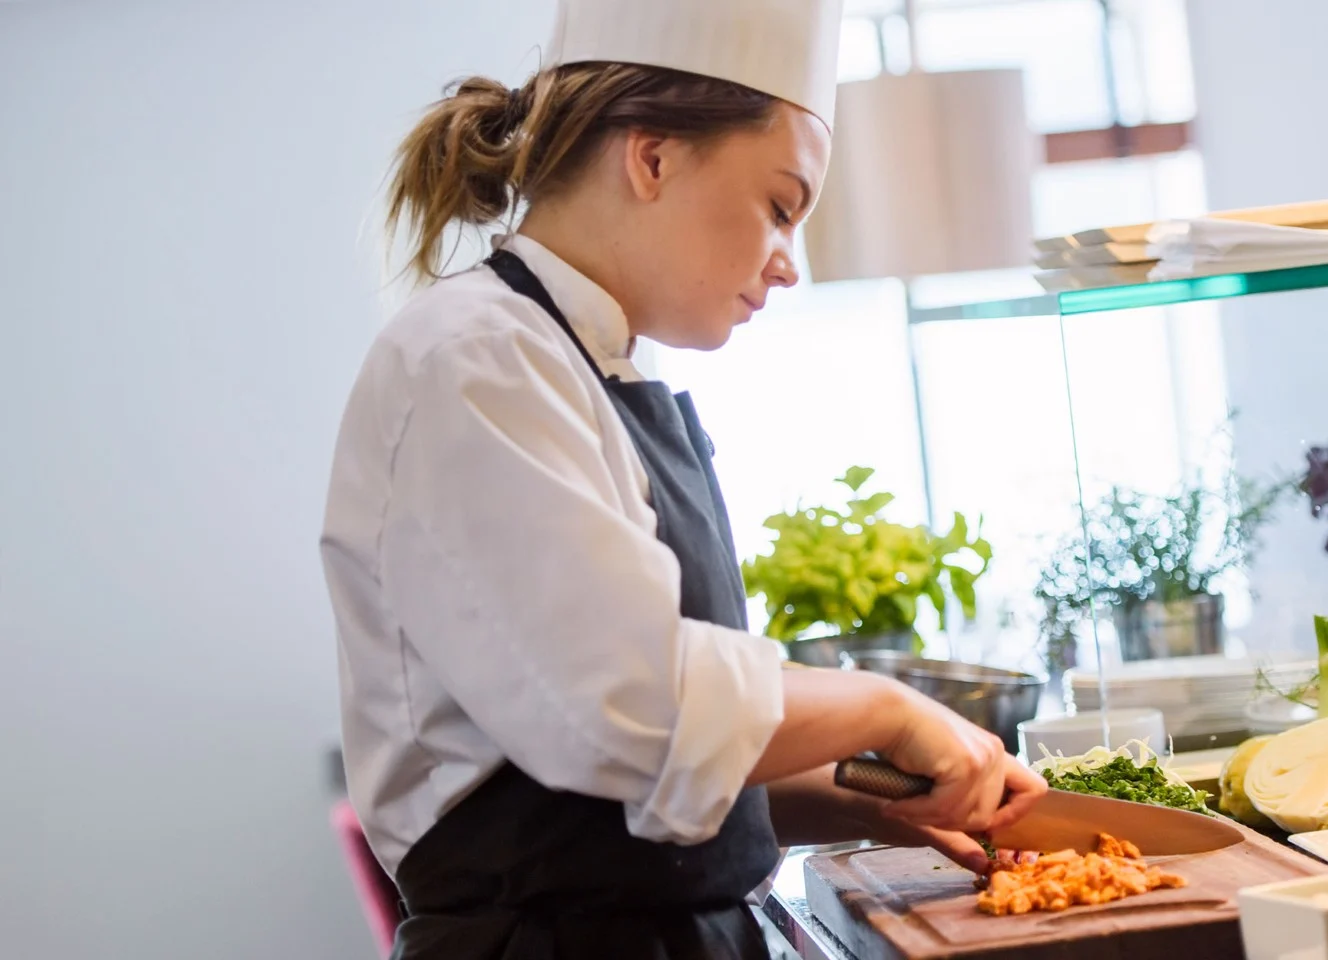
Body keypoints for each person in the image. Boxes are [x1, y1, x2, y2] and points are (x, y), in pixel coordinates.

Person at [318, 1, 1046, 957]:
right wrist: (883, 705)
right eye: (782, 207)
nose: (790, 266)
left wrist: (892, 800)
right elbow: (636, 709)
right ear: (652, 158)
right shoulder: (474, 359)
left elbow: (662, 790)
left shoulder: (591, 367)